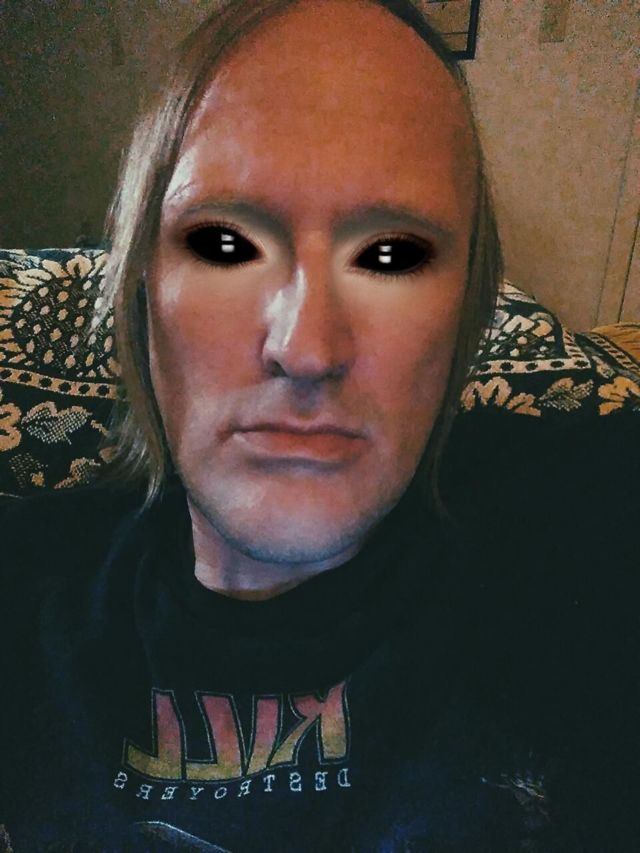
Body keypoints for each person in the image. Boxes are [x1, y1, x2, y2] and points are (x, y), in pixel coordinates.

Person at [0, 1, 638, 850]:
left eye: (391, 254)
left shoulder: (584, 532)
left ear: (467, 311)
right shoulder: (28, 593)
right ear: (141, 291)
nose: (306, 349)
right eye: (225, 243)